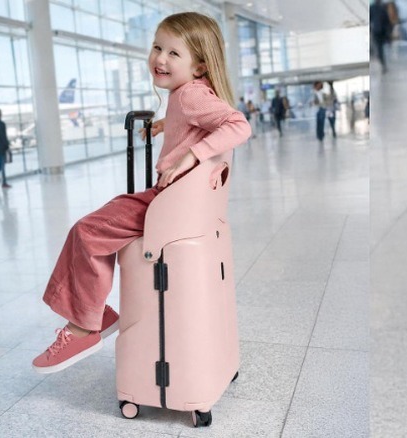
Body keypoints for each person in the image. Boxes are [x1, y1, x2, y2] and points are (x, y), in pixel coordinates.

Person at [32, 12, 250, 374]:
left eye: (173, 53)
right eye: (157, 47)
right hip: (177, 203)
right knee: (103, 217)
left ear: (199, 66)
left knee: (87, 231)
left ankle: (85, 326)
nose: (160, 58)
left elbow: (239, 124)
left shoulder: (191, 95)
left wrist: (191, 156)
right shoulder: (188, 94)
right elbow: (196, 121)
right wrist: (166, 126)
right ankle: (93, 312)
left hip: (169, 205)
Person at [370, 0, 392, 73]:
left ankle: (383, 64)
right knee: (380, 49)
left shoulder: (374, 8)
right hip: (380, 31)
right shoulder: (381, 7)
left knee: (380, 49)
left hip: (378, 31)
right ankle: (383, 65)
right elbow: (387, 20)